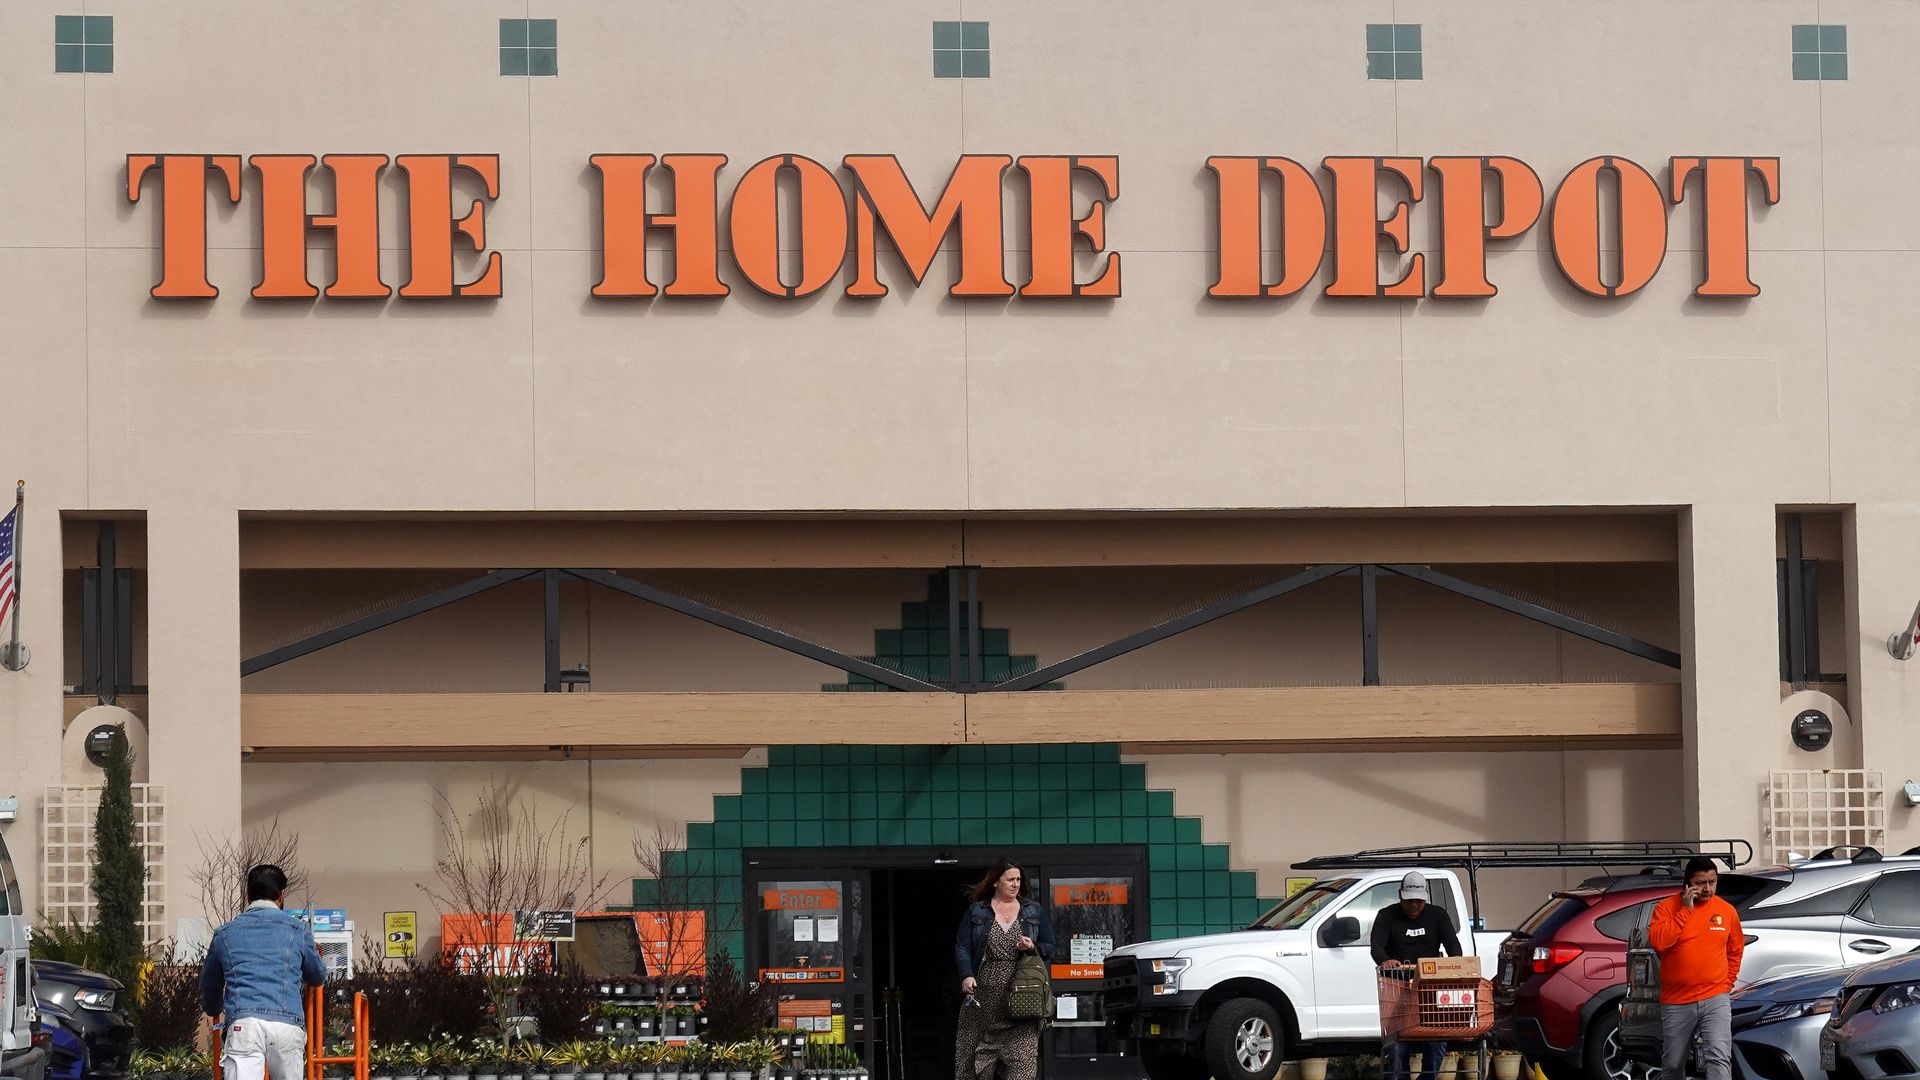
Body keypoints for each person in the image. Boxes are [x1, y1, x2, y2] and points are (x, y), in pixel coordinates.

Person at [200, 865, 326, 1080]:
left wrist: (214, 1008)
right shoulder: (298, 929)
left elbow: (210, 986)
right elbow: (317, 976)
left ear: (248, 894)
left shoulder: (224, 933)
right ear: (281, 894)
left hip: (244, 1023)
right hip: (287, 1025)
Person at [953, 858, 1057, 1080]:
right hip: (983, 1000)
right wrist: (966, 976)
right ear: (995, 882)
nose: (1016, 884)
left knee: (1023, 1070)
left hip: (1023, 1000)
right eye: (1010, 879)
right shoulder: (977, 912)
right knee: (969, 1069)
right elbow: (962, 947)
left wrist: (1032, 946)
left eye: (1019, 879)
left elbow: (1050, 946)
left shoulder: (1033, 911)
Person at [1647, 856, 1743, 1080]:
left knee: (1718, 1058)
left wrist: (1726, 984)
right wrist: (1685, 911)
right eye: (1700, 883)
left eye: (1712, 882)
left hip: (1715, 997)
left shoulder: (1726, 911)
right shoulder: (1665, 908)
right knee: (1672, 1065)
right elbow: (1659, 942)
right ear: (1687, 884)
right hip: (1677, 1000)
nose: (1708, 888)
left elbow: (1735, 950)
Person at [1371, 872, 1463, 1080]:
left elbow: (1454, 947)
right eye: (1409, 900)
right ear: (1400, 896)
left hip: (1429, 990)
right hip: (1397, 989)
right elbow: (1376, 947)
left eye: (1419, 901)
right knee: (1397, 1046)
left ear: (1425, 897)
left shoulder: (1438, 915)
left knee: (1436, 1042)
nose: (1414, 905)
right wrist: (1385, 960)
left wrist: (1453, 965)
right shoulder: (1386, 916)